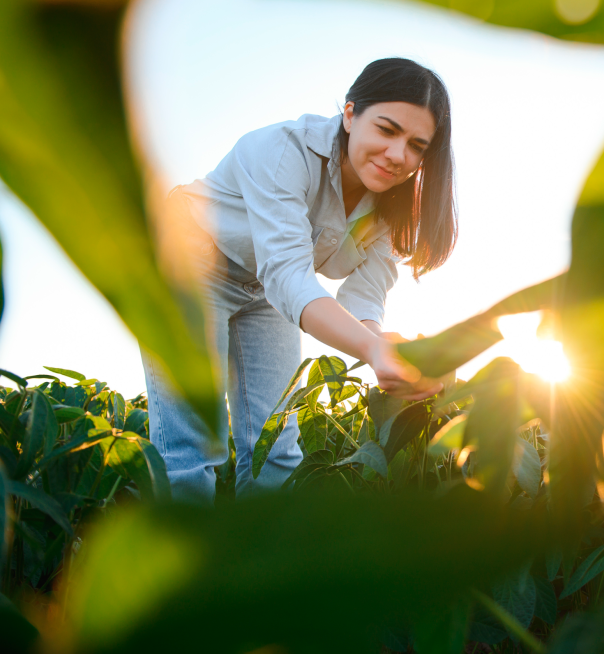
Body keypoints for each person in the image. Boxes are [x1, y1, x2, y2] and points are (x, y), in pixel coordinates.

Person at [143, 58, 455, 504]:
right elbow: (289, 273)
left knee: (275, 449)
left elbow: (364, 300)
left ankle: (264, 571)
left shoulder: (394, 207)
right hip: (186, 260)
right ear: (350, 115)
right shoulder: (280, 151)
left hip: (268, 292)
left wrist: (386, 348)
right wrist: (371, 349)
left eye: (417, 145)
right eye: (387, 130)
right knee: (191, 447)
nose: (398, 155)